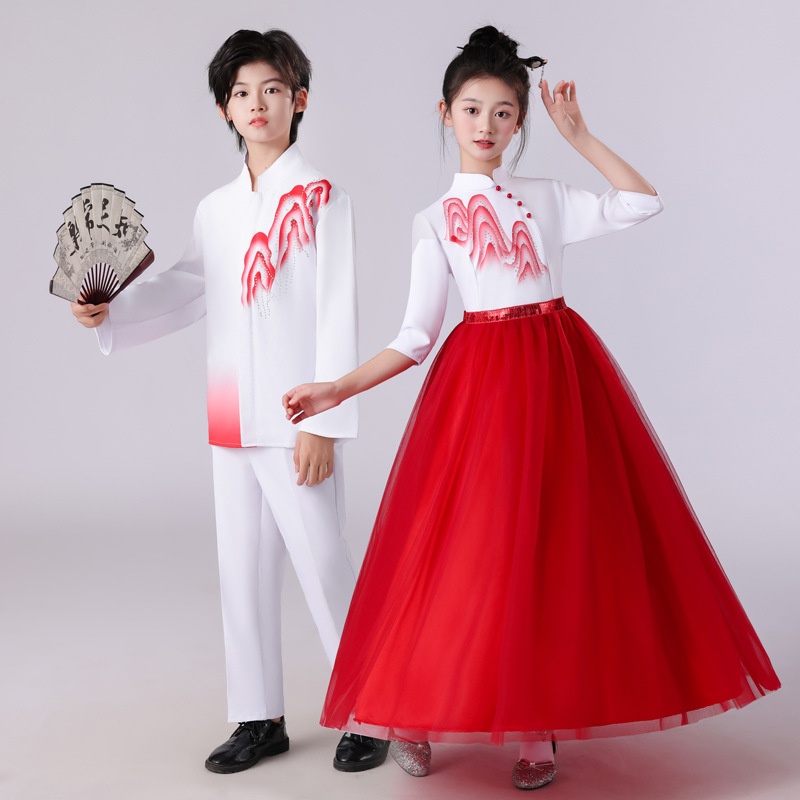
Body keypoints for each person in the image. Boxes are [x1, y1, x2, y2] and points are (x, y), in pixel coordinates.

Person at [282, 25, 780, 791]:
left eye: (504, 112)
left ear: (520, 123)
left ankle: (535, 729)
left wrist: (581, 138)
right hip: (480, 391)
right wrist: (337, 388)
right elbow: (416, 337)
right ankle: (417, 712)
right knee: (467, 553)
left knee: (551, 551)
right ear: (445, 113)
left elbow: (640, 203)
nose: (486, 125)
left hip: (558, 381)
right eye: (472, 109)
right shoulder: (434, 220)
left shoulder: (546, 198)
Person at [71, 28, 388, 776]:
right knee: (240, 569)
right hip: (229, 413)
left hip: (297, 414)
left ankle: (373, 707)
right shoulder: (215, 208)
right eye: (241, 92)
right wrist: (110, 309)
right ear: (224, 108)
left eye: (272, 89)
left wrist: (325, 421)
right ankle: (257, 716)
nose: (257, 104)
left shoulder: (324, 197)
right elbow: (190, 286)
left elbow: (336, 310)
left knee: (322, 559)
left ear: (298, 100)